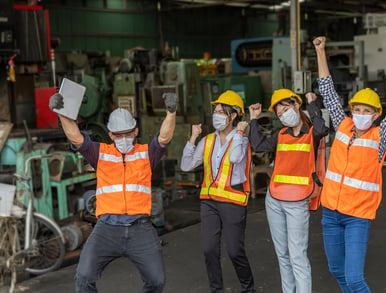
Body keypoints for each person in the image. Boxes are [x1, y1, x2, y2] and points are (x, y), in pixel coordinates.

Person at [313, 36, 386, 293]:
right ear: (351, 110)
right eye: (357, 109)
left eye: (367, 111)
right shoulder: (342, 124)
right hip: (330, 213)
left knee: (354, 279)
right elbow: (327, 89)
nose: (360, 115)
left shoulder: (379, 136)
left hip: (357, 217)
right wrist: (320, 51)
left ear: (376, 115)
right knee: (336, 270)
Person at [49, 91, 177, 293]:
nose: (124, 138)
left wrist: (171, 112)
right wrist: (61, 114)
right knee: (83, 278)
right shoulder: (100, 153)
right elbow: (76, 138)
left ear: (135, 132)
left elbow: (163, 138)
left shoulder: (146, 154)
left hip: (140, 228)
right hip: (106, 229)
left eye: (128, 133)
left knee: (156, 280)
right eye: (118, 135)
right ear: (110, 135)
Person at [247, 89, 328, 293]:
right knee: (282, 255)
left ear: (296, 105)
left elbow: (322, 128)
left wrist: (311, 103)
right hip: (274, 199)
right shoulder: (280, 135)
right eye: (279, 113)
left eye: (285, 108)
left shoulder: (311, 134)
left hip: (297, 201)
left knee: (297, 255)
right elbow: (257, 145)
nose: (283, 115)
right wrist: (254, 120)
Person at [180, 90, 256, 293]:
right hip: (209, 202)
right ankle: (217, 290)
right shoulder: (207, 141)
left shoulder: (241, 140)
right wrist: (193, 138)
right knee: (209, 250)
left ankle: (249, 289)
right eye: (215, 111)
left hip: (233, 202)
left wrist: (240, 133)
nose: (217, 115)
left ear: (233, 116)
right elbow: (186, 165)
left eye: (222, 112)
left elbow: (235, 158)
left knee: (234, 251)